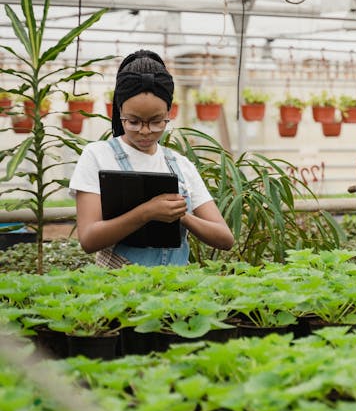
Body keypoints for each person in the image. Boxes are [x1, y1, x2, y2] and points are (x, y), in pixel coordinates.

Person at [70, 50, 234, 267]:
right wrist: (146, 212)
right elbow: (89, 239)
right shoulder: (98, 155)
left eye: (157, 121)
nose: (145, 131)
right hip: (120, 288)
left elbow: (225, 238)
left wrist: (181, 215)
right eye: (134, 122)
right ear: (120, 111)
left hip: (174, 289)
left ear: (169, 112)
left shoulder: (180, 165)